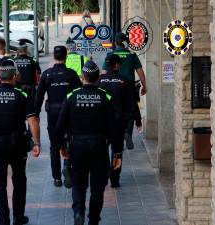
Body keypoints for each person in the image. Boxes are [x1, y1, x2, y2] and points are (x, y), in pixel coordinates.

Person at [0, 60, 41, 225]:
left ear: (0, 77)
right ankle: (18, 217)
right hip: (17, 144)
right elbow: (32, 120)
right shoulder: (22, 95)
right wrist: (37, 143)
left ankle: (3, 220)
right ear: (14, 76)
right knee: (19, 181)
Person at [56, 61, 120, 225]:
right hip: (99, 146)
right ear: (98, 78)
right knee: (97, 188)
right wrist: (117, 152)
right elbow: (114, 127)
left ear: (82, 77)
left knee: (78, 184)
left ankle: (78, 212)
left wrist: (61, 146)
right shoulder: (106, 97)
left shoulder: (71, 96)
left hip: (77, 146)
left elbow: (60, 125)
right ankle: (93, 220)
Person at [35, 46, 82, 188]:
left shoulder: (47, 74)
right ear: (66, 56)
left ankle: (56, 178)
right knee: (71, 142)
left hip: (53, 114)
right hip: (69, 115)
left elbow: (39, 97)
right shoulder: (71, 74)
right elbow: (78, 94)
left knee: (54, 146)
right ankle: (67, 166)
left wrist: (35, 115)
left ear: (54, 57)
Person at [102, 32, 147, 149]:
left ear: (115, 42)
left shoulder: (110, 55)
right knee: (131, 110)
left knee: (114, 109)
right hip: (129, 86)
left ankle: (116, 136)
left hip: (113, 86)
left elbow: (104, 73)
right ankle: (128, 133)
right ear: (125, 42)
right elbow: (140, 71)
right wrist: (144, 85)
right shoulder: (132, 55)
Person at [99, 54, 134, 188]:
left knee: (102, 149)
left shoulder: (99, 80)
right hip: (118, 122)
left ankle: (105, 171)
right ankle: (114, 178)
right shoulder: (124, 80)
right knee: (117, 150)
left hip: (101, 122)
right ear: (116, 65)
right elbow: (130, 104)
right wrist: (133, 121)